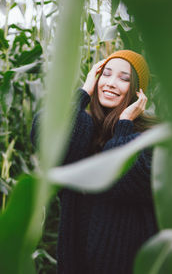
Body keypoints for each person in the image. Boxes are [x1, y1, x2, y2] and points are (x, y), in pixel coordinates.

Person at [31, 49, 159, 274]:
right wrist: (82, 94)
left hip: (125, 261)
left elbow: (122, 178)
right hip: (75, 255)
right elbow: (44, 135)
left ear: (139, 91)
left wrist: (124, 124)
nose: (110, 83)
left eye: (124, 78)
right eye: (105, 74)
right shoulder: (84, 127)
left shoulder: (150, 135)